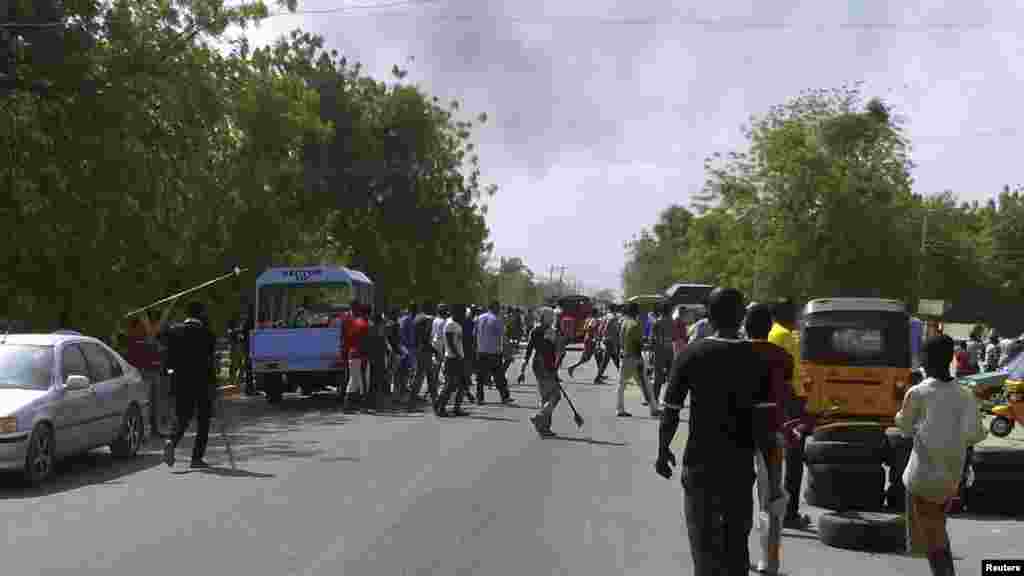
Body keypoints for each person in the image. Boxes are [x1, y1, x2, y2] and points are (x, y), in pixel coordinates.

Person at [654, 287, 767, 576]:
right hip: (740, 468)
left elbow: (671, 411)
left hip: (700, 465)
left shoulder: (692, 354)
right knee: (736, 546)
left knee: (703, 545)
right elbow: (765, 418)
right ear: (741, 316)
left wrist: (662, 450)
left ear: (709, 317)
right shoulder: (757, 358)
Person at [896, 334, 986, 574]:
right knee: (936, 528)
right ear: (950, 359)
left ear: (925, 360)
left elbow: (903, 428)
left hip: (921, 476)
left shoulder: (917, 392)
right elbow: (976, 434)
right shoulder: (966, 394)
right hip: (951, 475)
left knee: (932, 536)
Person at [745, 303, 794, 575]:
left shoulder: (735, 355)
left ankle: (737, 555)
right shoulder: (784, 357)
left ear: (745, 326)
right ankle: (770, 561)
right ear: (769, 327)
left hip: (739, 434)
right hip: (772, 433)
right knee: (772, 499)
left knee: (737, 496)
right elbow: (786, 391)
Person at [769, 297, 811, 530]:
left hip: (777, 401)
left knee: (776, 459)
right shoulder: (785, 336)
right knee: (794, 461)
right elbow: (793, 373)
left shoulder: (773, 333)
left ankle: (777, 511)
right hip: (791, 402)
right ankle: (790, 513)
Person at [160, 301, 218, 469]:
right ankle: (196, 458)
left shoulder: (174, 331)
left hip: (180, 381)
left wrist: (168, 310)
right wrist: (214, 384)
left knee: (182, 417)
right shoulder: (207, 334)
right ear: (202, 314)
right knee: (203, 421)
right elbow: (210, 361)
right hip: (202, 383)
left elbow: (160, 339)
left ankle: (171, 440)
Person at [520, 307, 561, 437]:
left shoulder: (534, 330)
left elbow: (528, 351)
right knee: (555, 396)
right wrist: (554, 370)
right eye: (552, 317)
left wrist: (523, 369)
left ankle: (544, 428)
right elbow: (551, 352)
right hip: (546, 365)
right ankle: (540, 416)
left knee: (545, 397)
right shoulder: (551, 331)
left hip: (536, 364)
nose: (554, 319)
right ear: (548, 317)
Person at [618, 302, 658, 418]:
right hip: (635, 359)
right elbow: (639, 344)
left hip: (625, 357)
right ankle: (654, 409)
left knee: (622, 385)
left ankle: (620, 409)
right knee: (646, 385)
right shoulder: (635, 325)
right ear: (635, 312)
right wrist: (648, 344)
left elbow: (621, 341)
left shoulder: (624, 323)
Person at [476, 301, 514, 404]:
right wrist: (508, 352)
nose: (500, 310)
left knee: (480, 377)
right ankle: (505, 397)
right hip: (493, 352)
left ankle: (479, 398)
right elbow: (503, 337)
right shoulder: (496, 320)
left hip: (481, 350)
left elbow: (474, 333)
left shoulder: (479, 318)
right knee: (499, 376)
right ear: (495, 308)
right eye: (499, 308)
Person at [434, 304, 470, 417]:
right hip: (452, 359)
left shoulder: (457, 324)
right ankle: (440, 407)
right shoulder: (450, 324)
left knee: (462, 384)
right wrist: (458, 356)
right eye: (463, 313)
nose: (464, 315)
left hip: (458, 357)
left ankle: (456, 408)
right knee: (450, 385)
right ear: (456, 313)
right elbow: (449, 343)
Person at [343, 303, 370, 412]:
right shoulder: (365, 325)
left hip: (352, 353)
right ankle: (361, 406)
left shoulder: (354, 322)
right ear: (367, 314)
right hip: (360, 355)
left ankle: (349, 406)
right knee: (361, 381)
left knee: (354, 381)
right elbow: (365, 342)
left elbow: (348, 339)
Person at [408, 302, 436, 410]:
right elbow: (425, 337)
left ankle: (435, 401)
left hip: (418, 350)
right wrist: (433, 349)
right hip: (424, 351)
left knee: (426, 376)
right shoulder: (427, 319)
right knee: (424, 376)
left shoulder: (417, 319)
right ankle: (412, 403)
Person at [650, 302, 675, 405]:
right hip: (670, 350)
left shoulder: (657, 322)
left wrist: (652, 352)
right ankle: (667, 399)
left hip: (659, 351)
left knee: (658, 377)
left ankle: (655, 399)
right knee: (670, 377)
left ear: (660, 311)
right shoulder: (672, 322)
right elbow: (674, 337)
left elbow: (653, 339)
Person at [566, 308, 600, 381]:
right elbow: (590, 328)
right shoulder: (593, 320)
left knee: (595, 357)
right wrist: (593, 337)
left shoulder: (588, 319)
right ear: (596, 313)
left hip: (588, 339)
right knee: (587, 358)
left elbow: (585, 328)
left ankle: (600, 374)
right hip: (591, 340)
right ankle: (571, 368)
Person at [596, 305, 622, 382]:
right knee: (606, 361)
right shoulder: (613, 317)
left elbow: (600, 328)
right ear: (614, 309)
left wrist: (601, 337)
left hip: (607, 339)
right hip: (610, 340)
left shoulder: (605, 317)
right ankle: (597, 378)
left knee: (616, 359)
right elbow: (614, 329)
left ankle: (623, 376)